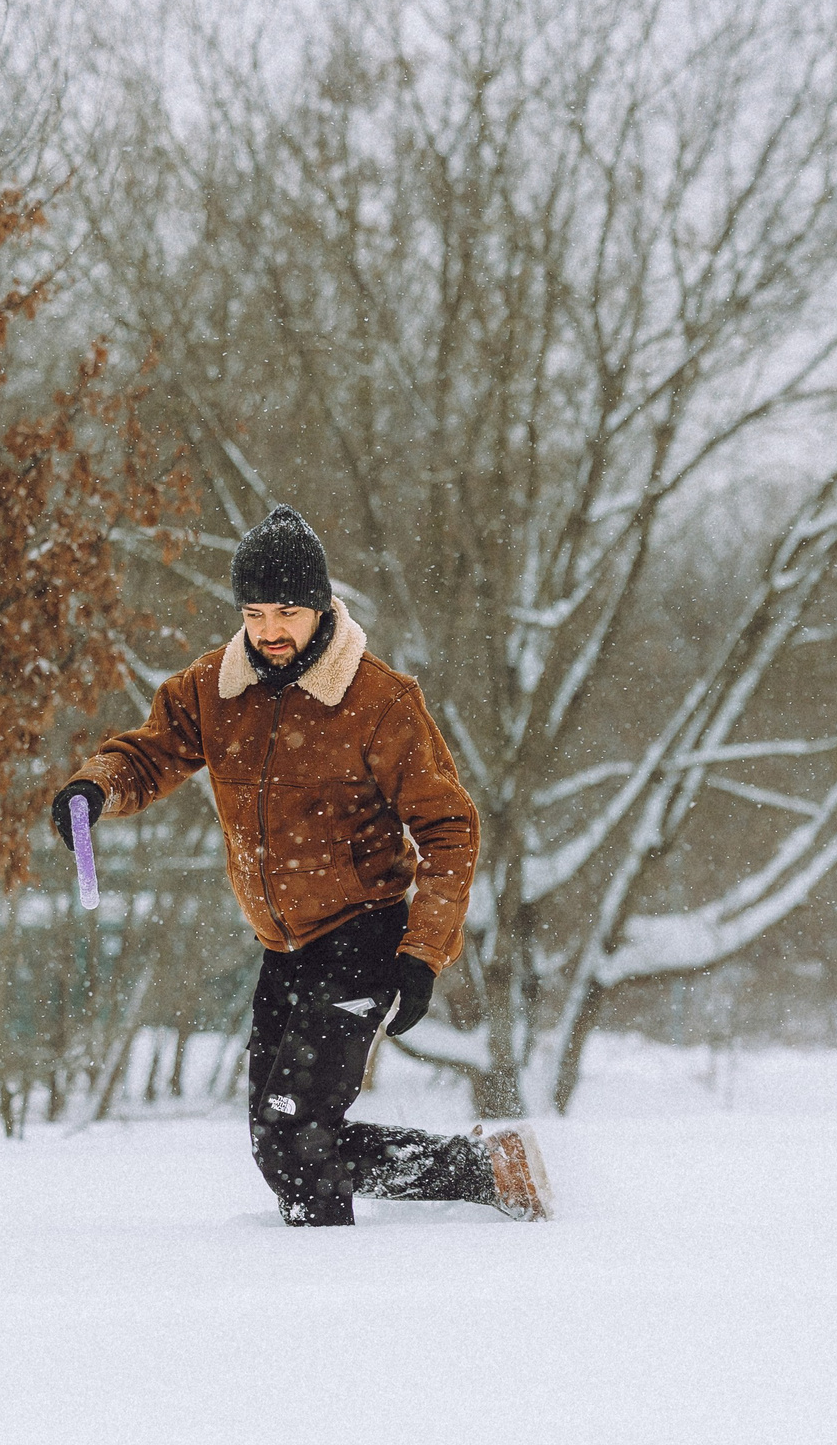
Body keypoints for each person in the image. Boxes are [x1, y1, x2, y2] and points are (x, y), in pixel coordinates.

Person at [50, 505, 548, 1227]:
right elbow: (151, 751)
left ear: (320, 606)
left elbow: (450, 828)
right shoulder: (217, 690)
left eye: (287, 611)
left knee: (293, 1145)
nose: (270, 630)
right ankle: (487, 1169)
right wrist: (95, 787)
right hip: (284, 948)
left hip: (364, 939)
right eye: (254, 613)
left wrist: (423, 950)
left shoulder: (377, 702)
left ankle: (327, 1294)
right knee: (278, 1143)